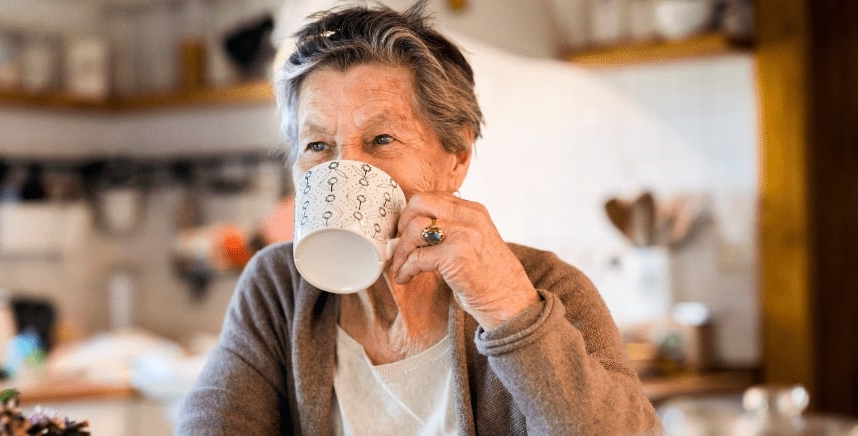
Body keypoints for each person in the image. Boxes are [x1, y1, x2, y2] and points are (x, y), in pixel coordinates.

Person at [178, 2, 661, 434]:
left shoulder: (545, 287)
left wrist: (507, 306)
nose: (346, 169)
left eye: (381, 140)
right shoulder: (279, 290)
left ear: (457, 156)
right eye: (318, 146)